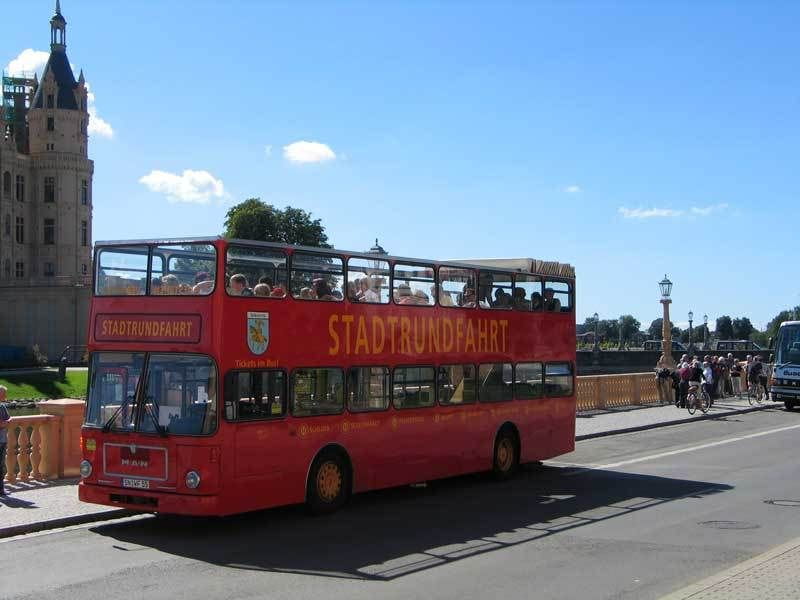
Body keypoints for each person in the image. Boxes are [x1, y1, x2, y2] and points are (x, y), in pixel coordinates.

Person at [0, 385, 9, 496]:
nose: (6, 396)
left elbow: (8, 419)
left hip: (2, 440)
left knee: (1, 465)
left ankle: (1, 489)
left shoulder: (2, 406)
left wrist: (4, 423)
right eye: (4, 394)